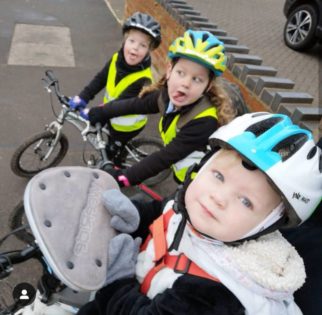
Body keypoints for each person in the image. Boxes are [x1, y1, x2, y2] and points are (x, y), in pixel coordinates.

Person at [77, 112, 322, 315]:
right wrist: (137, 214)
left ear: (268, 225)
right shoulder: (198, 212)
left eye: (246, 201)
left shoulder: (218, 292)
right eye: (218, 176)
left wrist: (117, 281)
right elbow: (167, 211)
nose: (218, 197)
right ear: (202, 166)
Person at [87, 29, 238, 187]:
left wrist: (125, 177)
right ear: (169, 71)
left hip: (200, 183)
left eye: (197, 79)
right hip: (181, 170)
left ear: (207, 87)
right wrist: (101, 112)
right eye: (181, 72)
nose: (185, 83)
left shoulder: (205, 121)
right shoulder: (165, 95)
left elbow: (165, 157)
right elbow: (135, 105)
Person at [69, 12, 161, 145]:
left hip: (126, 126)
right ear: (125, 40)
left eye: (143, 45)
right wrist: (84, 96)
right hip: (110, 113)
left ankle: (117, 165)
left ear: (148, 50)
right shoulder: (116, 59)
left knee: (111, 154)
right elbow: (100, 79)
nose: (135, 47)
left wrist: (94, 112)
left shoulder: (143, 80)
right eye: (132, 41)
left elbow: (120, 103)